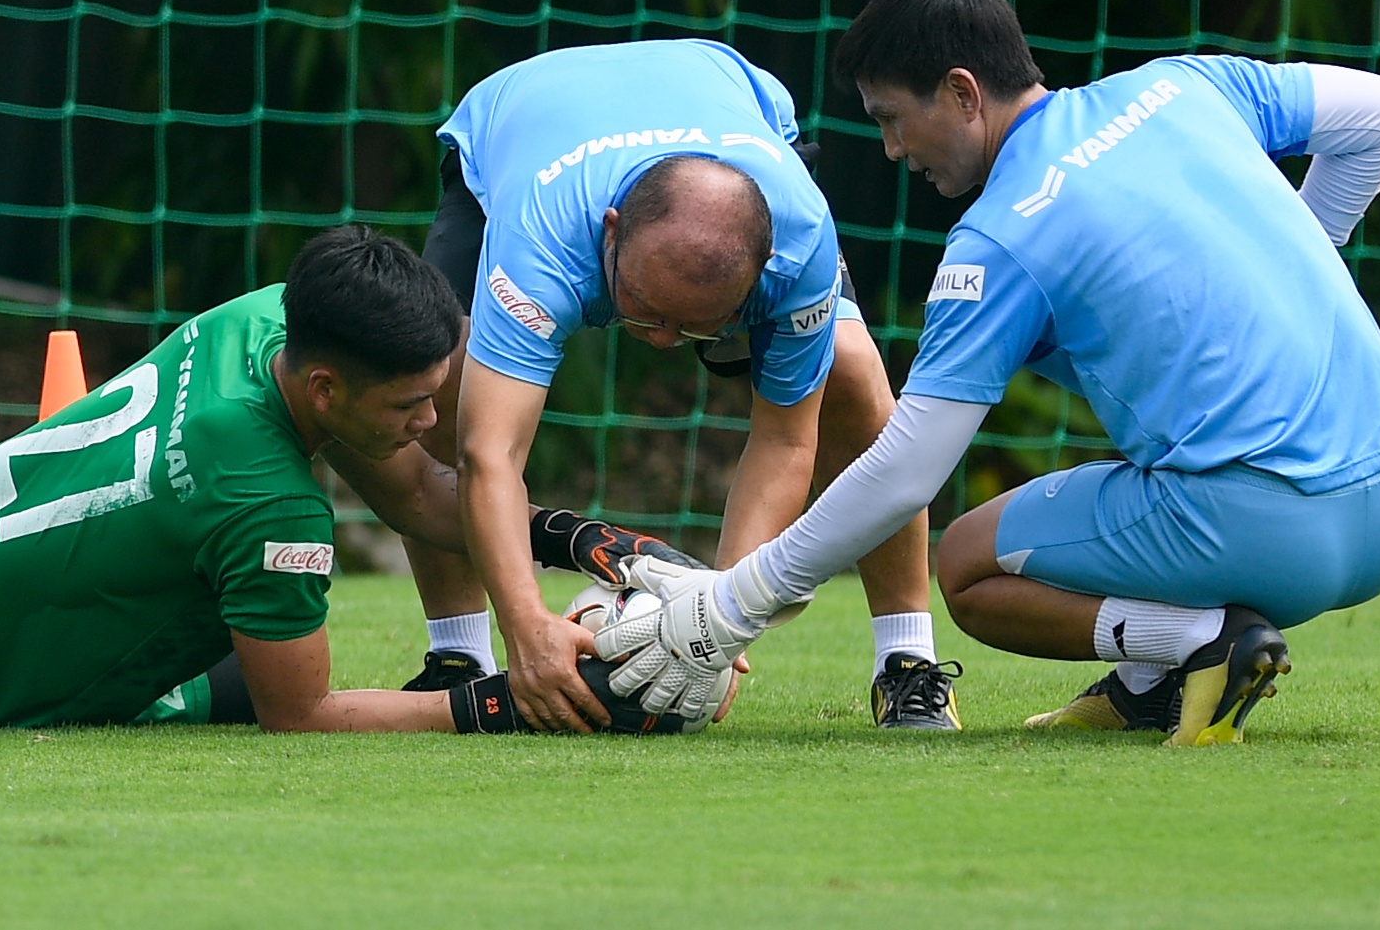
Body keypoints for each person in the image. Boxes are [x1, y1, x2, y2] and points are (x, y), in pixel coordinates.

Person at [593, 0, 1380, 746]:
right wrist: (1304, 252)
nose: (891, 150)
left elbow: (904, 473)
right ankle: (1147, 687)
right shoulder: (1181, 86)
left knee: (967, 565)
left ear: (962, 92)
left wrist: (732, 602)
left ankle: (1200, 645)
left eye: (893, 118)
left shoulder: (997, 239)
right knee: (1145, 468)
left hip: (1276, 536)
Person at [0, 228, 668, 736]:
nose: (430, 424)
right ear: (333, 389)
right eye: (409, 407)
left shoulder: (265, 317)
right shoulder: (275, 512)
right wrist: (496, 704)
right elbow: (303, 715)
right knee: (252, 680)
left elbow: (432, 494)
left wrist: (587, 544)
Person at [366, 38, 954, 734]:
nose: (665, 340)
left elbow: (788, 437)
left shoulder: (797, 240)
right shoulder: (545, 238)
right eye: (645, 308)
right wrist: (526, 626)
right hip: (526, 118)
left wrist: (724, 619)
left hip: (733, 107)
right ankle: (458, 654)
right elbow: (489, 454)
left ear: (762, 269)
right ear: (609, 237)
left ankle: (908, 662)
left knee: (852, 377)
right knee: (444, 384)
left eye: (696, 324)